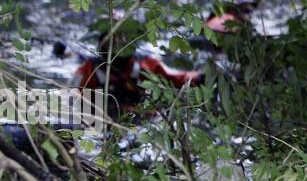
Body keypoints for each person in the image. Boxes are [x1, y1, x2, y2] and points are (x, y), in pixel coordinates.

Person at [55, 37, 204, 115]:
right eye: (113, 43)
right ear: (102, 47)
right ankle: (64, 53)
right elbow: (70, 103)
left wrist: (201, 78)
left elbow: (176, 79)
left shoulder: (147, 65)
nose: (119, 47)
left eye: (123, 43)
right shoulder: (87, 71)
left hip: (138, 115)